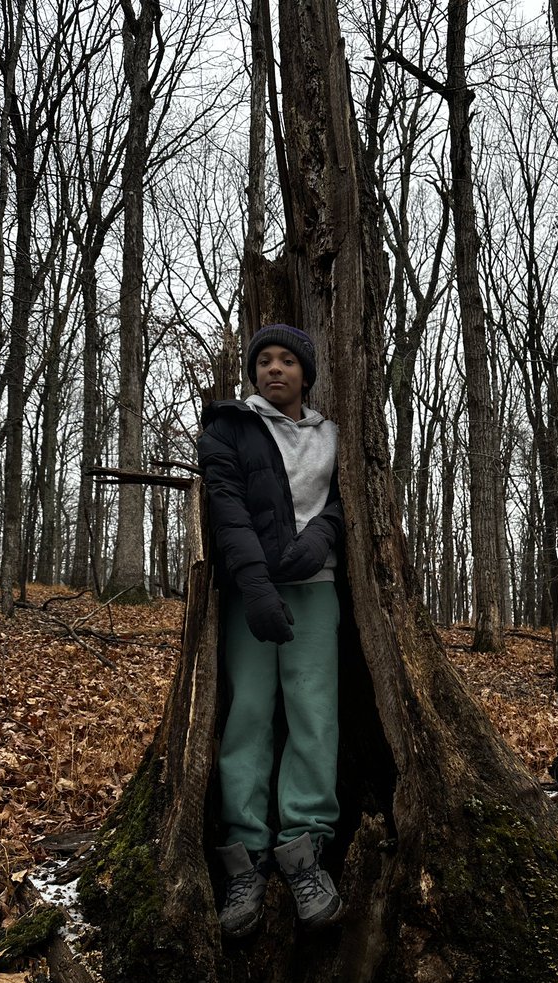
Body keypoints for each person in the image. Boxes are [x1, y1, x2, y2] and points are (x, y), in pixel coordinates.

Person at [197, 324, 344, 936]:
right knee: (250, 715)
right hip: (248, 594)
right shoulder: (229, 426)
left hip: (315, 589)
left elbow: (347, 499)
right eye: (264, 361)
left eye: (287, 360)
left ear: (306, 373)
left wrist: (322, 537)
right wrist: (254, 586)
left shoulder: (335, 433)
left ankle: (304, 851)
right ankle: (244, 860)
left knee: (313, 713)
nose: (274, 369)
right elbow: (226, 509)